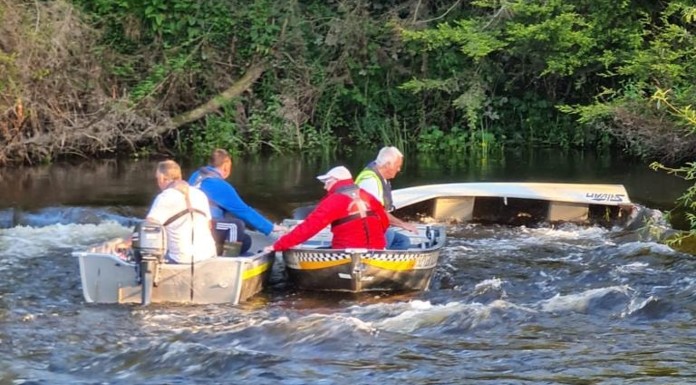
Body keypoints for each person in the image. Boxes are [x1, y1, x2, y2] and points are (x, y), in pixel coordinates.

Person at [264, 166, 389, 252]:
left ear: (335, 181)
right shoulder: (368, 196)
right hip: (376, 251)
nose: (325, 186)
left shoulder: (334, 201)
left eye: (327, 182)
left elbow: (308, 228)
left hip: (346, 251)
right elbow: (385, 222)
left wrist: (278, 246)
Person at [188, 149, 285, 255]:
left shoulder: (196, 175)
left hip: (189, 223)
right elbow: (244, 211)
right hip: (206, 226)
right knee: (239, 228)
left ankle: (217, 251)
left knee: (245, 238)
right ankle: (229, 258)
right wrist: (271, 227)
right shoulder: (219, 185)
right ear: (226, 166)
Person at [145, 160, 217, 264]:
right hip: (209, 256)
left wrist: (123, 243)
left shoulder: (164, 197)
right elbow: (209, 225)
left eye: (157, 178)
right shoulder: (200, 194)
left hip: (181, 261)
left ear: (162, 178)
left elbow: (147, 229)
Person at [355, 146, 418, 250]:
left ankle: (390, 262)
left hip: (373, 227)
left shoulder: (381, 177)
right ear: (388, 164)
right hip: (363, 230)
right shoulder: (370, 181)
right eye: (397, 166)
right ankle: (376, 260)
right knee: (389, 234)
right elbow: (376, 212)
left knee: (404, 241)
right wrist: (402, 224)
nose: (399, 169)